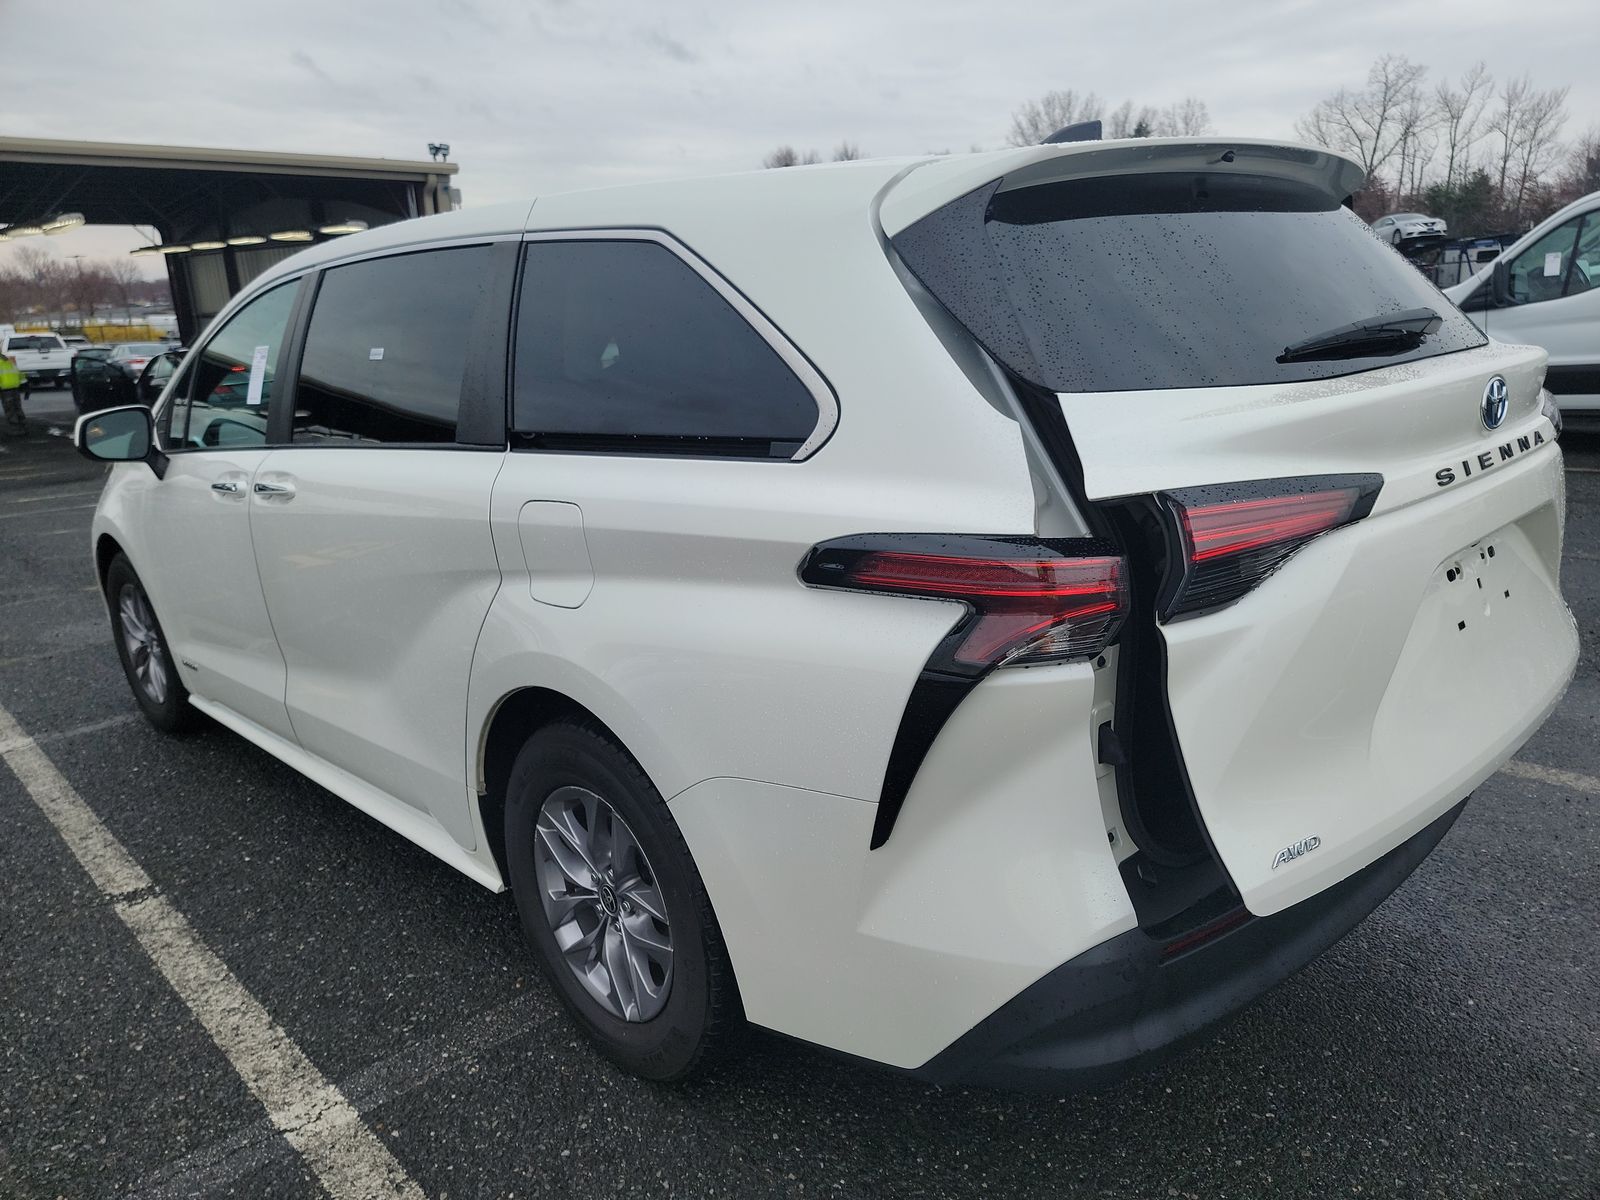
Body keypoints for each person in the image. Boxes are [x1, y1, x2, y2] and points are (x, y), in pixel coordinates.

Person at [0, 351, 26, 436]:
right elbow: (19, 373)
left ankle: (16, 430)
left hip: (5, 390)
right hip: (15, 388)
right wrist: (25, 384)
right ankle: (23, 427)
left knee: (10, 410)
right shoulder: (10, 360)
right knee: (17, 408)